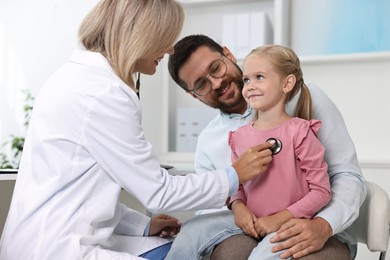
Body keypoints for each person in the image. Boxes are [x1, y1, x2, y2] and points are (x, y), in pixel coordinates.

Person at [0, 3, 274, 259]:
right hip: (56, 248)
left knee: (176, 246)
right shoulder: (105, 93)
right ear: (143, 35)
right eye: (165, 37)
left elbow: (76, 187)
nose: (169, 49)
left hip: (44, 236)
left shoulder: (72, 77)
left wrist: (143, 226)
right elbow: (160, 192)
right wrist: (235, 175)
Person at [165, 35, 366, 260]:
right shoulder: (212, 140)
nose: (216, 83)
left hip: (313, 223)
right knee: (218, 246)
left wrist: (323, 225)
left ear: (228, 55)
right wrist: (238, 207)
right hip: (245, 229)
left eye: (216, 68)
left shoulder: (304, 101)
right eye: (201, 84)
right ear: (194, 95)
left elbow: (346, 175)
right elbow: (214, 205)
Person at [227, 45, 332, 259]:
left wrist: (278, 219)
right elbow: (235, 184)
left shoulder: (301, 132)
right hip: (252, 225)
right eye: (246, 79)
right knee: (193, 232)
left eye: (259, 77)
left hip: (289, 225)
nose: (250, 86)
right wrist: (239, 206)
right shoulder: (238, 137)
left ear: (287, 83)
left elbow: (321, 191)